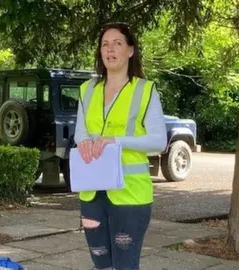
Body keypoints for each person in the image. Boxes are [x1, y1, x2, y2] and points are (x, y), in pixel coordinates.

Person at [74, 22, 167, 270]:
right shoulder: (87, 90)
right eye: (105, 44)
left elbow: (159, 140)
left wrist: (117, 141)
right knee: (101, 263)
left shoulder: (145, 90)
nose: (110, 49)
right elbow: (80, 134)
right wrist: (83, 143)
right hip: (92, 192)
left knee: (125, 265)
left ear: (130, 51)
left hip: (131, 195)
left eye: (117, 43)